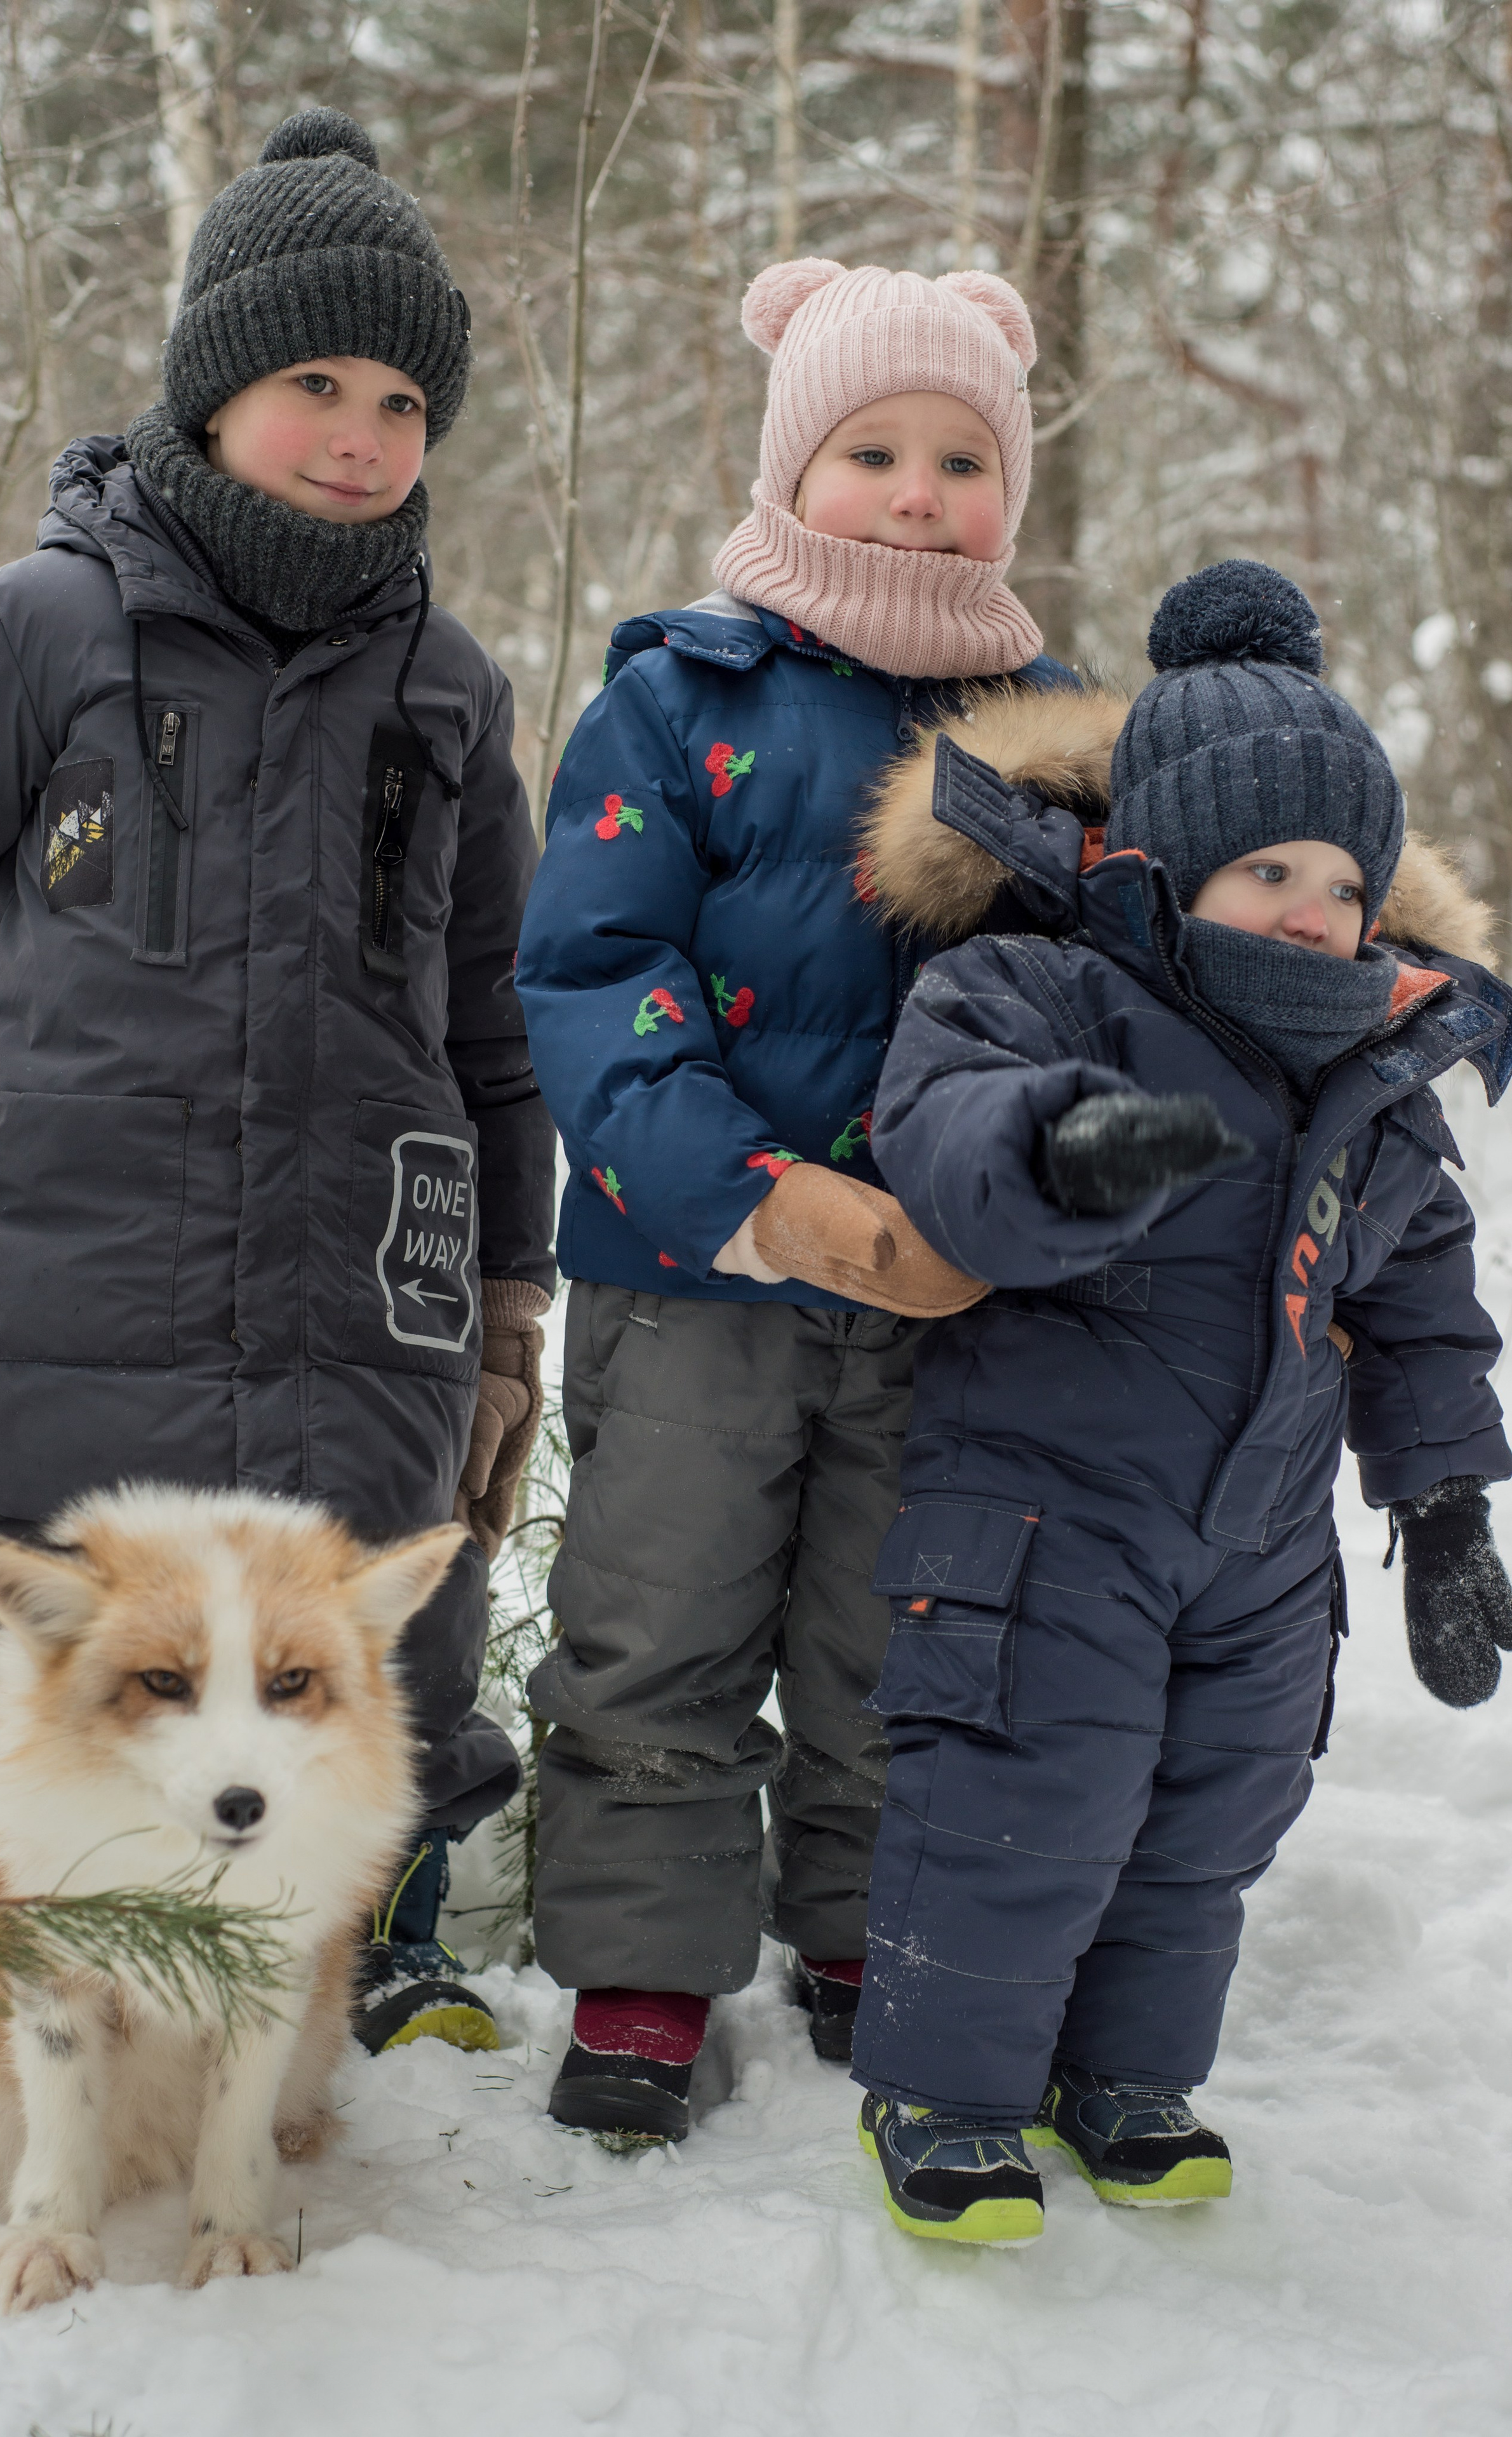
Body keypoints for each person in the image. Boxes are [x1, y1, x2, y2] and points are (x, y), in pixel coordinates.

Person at [0, 108, 554, 2049]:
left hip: (362, 1287)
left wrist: (508, 1299)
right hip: (59, 1279)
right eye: (314, 382)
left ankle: (361, 1937)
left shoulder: (451, 688)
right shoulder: (42, 630)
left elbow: (496, 1022)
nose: (362, 432)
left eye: (406, 400)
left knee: (361, 1621)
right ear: (212, 386)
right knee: (25, 1620)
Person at [849, 559, 1512, 2244]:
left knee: (1216, 1809)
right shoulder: (1049, 994)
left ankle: (1131, 2076)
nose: (1311, 907)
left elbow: (1427, 1305)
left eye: (1344, 879)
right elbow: (944, 1142)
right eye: (1264, 866)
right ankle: (948, 2092)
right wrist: (1067, 1147)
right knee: (1025, 1790)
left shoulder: (1378, 1080)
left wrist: (1443, 1512)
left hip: (1263, 1543)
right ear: (1158, 863)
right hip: (1046, 1515)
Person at [516, 257, 1076, 2142]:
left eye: (961, 458)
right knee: (658, 1616)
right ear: (790, 466)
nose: (919, 493)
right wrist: (751, 1197)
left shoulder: (1058, 736)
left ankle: (862, 1923)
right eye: (871, 450)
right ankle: (646, 1969)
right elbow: (596, 976)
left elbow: (1116, 1001)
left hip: (951, 1294)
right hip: (702, 1273)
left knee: (894, 1630)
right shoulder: (682, 702)